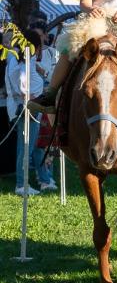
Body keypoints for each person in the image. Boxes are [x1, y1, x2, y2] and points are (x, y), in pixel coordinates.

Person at [5, 29, 56, 195]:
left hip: (29, 106)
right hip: (29, 107)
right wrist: (33, 99)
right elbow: (22, 83)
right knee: (26, 147)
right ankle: (21, 184)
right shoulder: (24, 60)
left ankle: (43, 179)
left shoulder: (24, 59)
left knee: (32, 146)